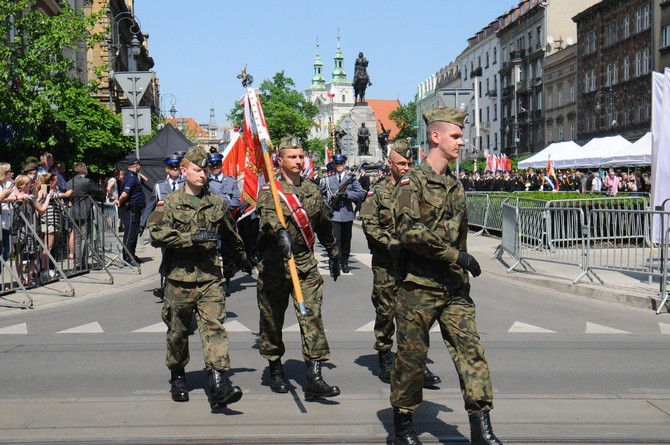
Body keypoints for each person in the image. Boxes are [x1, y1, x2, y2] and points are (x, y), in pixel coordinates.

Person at [390, 107, 502, 445]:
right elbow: (409, 231)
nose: (461, 141)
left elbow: (459, 233)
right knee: (412, 358)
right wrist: (458, 256)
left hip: (454, 288)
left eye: (461, 135)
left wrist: (459, 266)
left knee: (472, 353)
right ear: (435, 137)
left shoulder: (455, 185)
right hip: (418, 288)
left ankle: (481, 429)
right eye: (455, 135)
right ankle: (403, 427)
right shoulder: (414, 182)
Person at [148, 146, 252, 410]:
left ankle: (219, 383)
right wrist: (189, 239)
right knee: (178, 333)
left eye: (205, 170)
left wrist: (244, 259)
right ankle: (178, 376)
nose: (203, 175)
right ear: (184, 171)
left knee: (214, 328)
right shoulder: (170, 202)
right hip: (178, 279)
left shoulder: (216, 202)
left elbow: (230, 232)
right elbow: (157, 234)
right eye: (197, 170)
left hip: (210, 277)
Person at [256, 135, 341, 399]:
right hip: (274, 267)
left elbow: (324, 224)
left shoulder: (312, 190)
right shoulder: (269, 190)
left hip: (304, 264)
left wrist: (334, 252)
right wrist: (279, 232)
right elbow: (269, 217)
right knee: (272, 320)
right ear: (279, 161)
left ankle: (314, 375)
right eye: (292, 157)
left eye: (301, 156)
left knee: (311, 316)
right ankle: (276, 369)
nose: (298, 161)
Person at [360, 139, 442, 388]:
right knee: (385, 312)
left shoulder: (418, 189)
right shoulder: (378, 192)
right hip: (387, 263)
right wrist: (391, 242)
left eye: (409, 163)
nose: (406, 168)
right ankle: (385, 357)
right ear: (390, 164)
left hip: (414, 264)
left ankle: (417, 364)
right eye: (401, 163)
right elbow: (369, 224)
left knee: (417, 316)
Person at [322, 153, 365, 273]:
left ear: (344, 164)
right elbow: (321, 195)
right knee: (336, 241)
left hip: (347, 213)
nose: (339, 165)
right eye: (337, 163)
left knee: (346, 241)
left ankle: (345, 262)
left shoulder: (351, 179)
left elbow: (361, 193)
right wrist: (327, 205)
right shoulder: (328, 180)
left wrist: (348, 195)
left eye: (341, 163)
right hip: (335, 214)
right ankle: (336, 261)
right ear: (334, 165)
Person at [66, 162, 105, 268]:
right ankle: (83, 262)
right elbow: (99, 192)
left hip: (74, 212)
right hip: (85, 212)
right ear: (84, 170)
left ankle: (78, 263)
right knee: (85, 238)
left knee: (77, 238)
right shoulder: (87, 182)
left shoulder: (69, 183)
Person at [115, 155, 146, 264]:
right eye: (139, 165)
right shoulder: (131, 178)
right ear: (136, 165)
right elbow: (124, 194)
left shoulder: (131, 176)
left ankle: (131, 254)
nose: (140, 167)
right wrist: (120, 201)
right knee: (130, 233)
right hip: (130, 209)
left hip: (135, 209)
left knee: (134, 232)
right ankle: (127, 257)